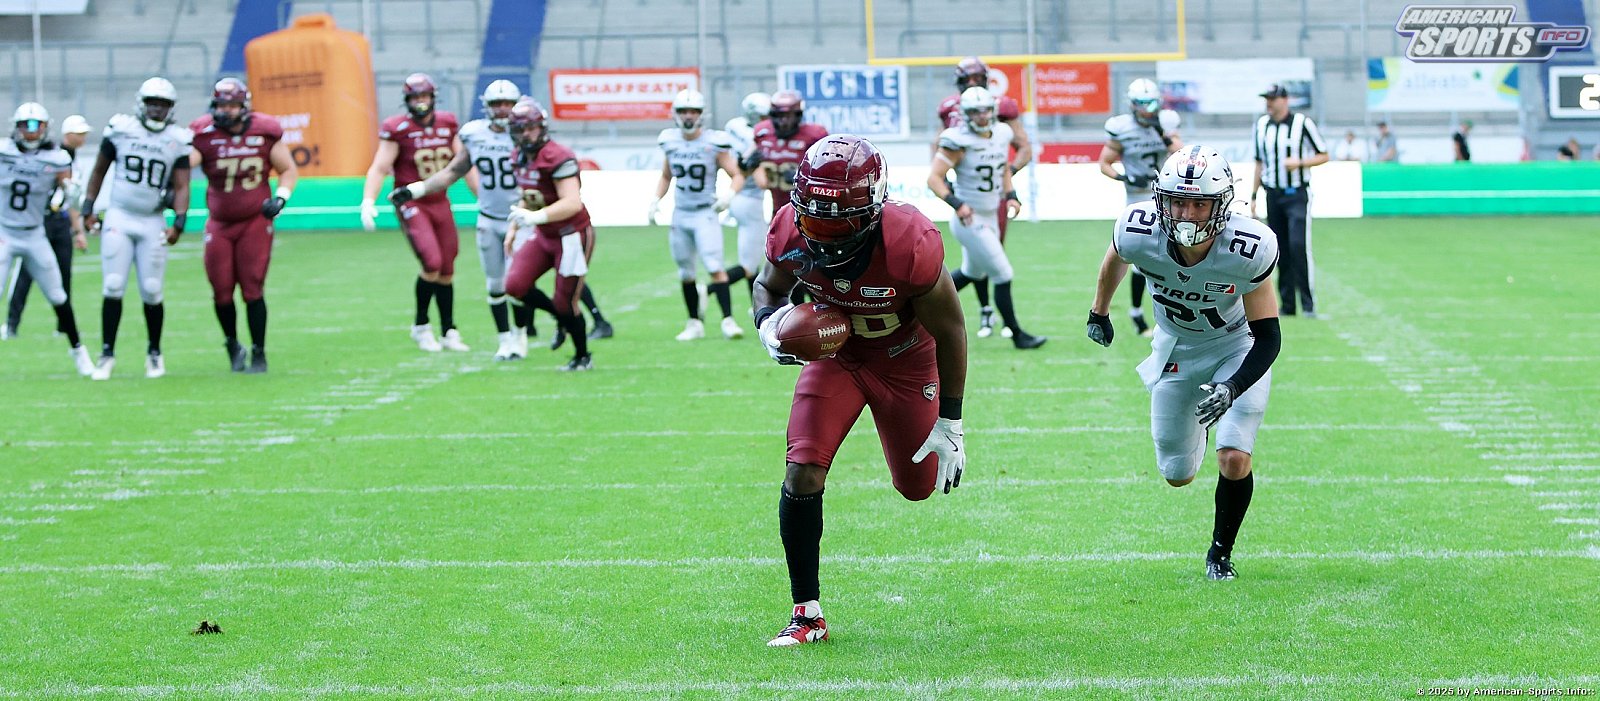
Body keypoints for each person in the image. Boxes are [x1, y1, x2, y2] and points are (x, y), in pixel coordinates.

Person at [753, 134, 968, 647]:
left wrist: (951, 420)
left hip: (906, 361)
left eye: (839, 222)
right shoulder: (789, 228)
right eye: (815, 219)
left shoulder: (908, 241)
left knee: (917, 486)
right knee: (802, 469)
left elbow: (951, 330)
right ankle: (807, 614)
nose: (824, 235)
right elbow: (768, 286)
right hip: (839, 359)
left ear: (873, 209)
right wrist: (768, 325)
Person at [1086, 146, 1282, 581]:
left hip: (1235, 347)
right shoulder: (1138, 230)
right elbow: (1116, 257)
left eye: (1199, 204)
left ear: (1221, 205)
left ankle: (1220, 554)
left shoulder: (1247, 247)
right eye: (1178, 202)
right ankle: (1201, 430)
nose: (1187, 214)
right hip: (1177, 348)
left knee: (1234, 457)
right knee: (1177, 475)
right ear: (1162, 199)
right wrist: (1099, 311)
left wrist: (1233, 386)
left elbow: (1268, 336)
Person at [392, 79, 536, 361]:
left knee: (516, 283)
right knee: (495, 284)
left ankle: (520, 335)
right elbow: (452, 171)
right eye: (497, 104)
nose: (503, 109)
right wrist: (416, 189)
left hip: (520, 218)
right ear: (487, 106)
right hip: (489, 218)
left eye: (508, 103)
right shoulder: (474, 134)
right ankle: (504, 340)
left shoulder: (527, 135)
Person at [82, 77, 192, 380]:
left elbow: (182, 185)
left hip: (152, 219)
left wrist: (179, 222)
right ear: (141, 104)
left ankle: (154, 353)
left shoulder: (177, 138)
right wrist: (88, 207)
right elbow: (99, 171)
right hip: (120, 215)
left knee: (153, 290)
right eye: (152, 103)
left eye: (163, 104)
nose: (156, 109)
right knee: (113, 285)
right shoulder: (121, 129)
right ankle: (107, 354)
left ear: (171, 108)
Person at [189, 77, 297, 373]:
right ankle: (232, 343)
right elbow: (184, 163)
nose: (226, 111)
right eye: (221, 105)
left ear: (244, 106)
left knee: (252, 288)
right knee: (221, 290)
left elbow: (288, 169)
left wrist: (281, 198)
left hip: (254, 221)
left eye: (232, 105)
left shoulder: (264, 131)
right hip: (220, 222)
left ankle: (259, 351)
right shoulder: (204, 133)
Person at [927, 86, 1044, 349]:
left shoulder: (1002, 133)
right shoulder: (957, 140)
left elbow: (1002, 169)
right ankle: (1017, 334)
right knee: (1003, 273)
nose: (982, 116)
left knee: (971, 272)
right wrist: (957, 204)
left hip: (990, 214)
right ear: (965, 114)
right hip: (970, 219)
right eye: (975, 112)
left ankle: (919, 306)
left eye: (986, 110)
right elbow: (934, 179)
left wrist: (1011, 195)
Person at [360, 73, 470, 353]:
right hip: (412, 203)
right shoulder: (397, 128)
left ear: (433, 97)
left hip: (440, 201)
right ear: (407, 100)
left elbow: (463, 164)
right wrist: (368, 201)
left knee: (447, 268)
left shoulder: (448, 123)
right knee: (432, 262)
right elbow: (380, 167)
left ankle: (449, 330)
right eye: (415, 97)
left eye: (424, 96)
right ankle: (421, 326)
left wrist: (484, 198)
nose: (420, 102)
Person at [0, 102, 95, 376]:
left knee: (58, 294)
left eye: (36, 125)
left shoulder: (56, 158)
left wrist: (70, 190)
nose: (30, 131)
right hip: (5, 232)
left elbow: (69, 189)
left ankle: (78, 351)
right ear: (16, 127)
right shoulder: (4, 152)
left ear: (45, 127)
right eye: (25, 125)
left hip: (34, 234)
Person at [500, 98, 594, 372]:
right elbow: (529, 195)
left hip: (571, 234)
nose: (526, 134)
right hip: (544, 235)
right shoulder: (518, 156)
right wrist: (514, 227)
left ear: (541, 127)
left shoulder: (558, 155)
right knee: (514, 285)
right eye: (521, 129)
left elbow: (572, 202)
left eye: (531, 128)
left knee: (565, 301)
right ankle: (562, 319)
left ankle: (582, 355)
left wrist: (536, 217)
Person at [649, 89, 746, 340]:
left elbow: (737, 174)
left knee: (715, 266)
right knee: (685, 271)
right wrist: (656, 199)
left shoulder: (714, 142)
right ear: (676, 114)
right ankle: (694, 323)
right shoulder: (669, 141)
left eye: (693, 111)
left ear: (701, 114)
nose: (688, 116)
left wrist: (729, 196)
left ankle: (728, 320)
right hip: (680, 213)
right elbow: (666, 175)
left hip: (705, 213)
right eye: (683, 111)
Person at [1098, 78, 1183, 337]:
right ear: (1132, 105)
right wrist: (1124, 177)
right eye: (1142, 104)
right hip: (1136, 198)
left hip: (1166, 196)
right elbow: (1104, 163)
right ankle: (1136, 312)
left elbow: (1181, 154)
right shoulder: (1121, 128)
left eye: (1151, 103)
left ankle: (1169, 314)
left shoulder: (1166, 123)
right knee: (1137, 256)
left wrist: (1161, 133)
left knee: (1174, 253)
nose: (1147, 109)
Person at [1251, 84, 1327, 319]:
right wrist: (1253, 196)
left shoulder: (1302, 124)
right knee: (1279, 249)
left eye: (1272, 99)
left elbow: (1324, 154)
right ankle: (1287, 305)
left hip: (1296, 194)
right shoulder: (1261, 126)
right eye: (1267, 99)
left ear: (1285, 100)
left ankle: (1308, 303)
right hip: (1273, 194)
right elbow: (1259, 163)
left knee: (1297, 245)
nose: (1269, 103)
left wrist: (1300, 163)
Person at [722, 92, 771, 300]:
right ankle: (711, 287)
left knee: (753, 259)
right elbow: (762, 180)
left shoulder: (733, 126)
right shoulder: (757, 137)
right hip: (751, 198)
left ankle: (756, 304)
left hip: (738, 196)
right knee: (752, 263)